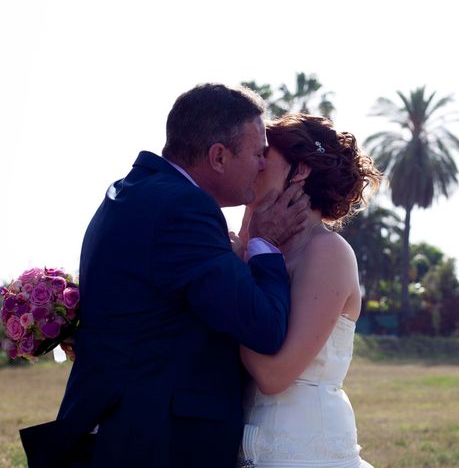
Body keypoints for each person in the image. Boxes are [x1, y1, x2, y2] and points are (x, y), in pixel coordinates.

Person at [19, 83, 309, 468]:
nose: (262, 164)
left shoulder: (132, 191)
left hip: (121, 429)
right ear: (218, 156)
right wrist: (265, 243)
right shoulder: (183, 208)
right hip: (158, 443)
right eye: (257, 153)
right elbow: (264, 327)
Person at [235, 113, 382, 468]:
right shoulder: (257, 247)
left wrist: (232, 272)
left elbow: (275, 375)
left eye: (263, 154)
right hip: (249, 448)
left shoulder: (327, 252)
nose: (252, 162)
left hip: (304, 451)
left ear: (300, 171)